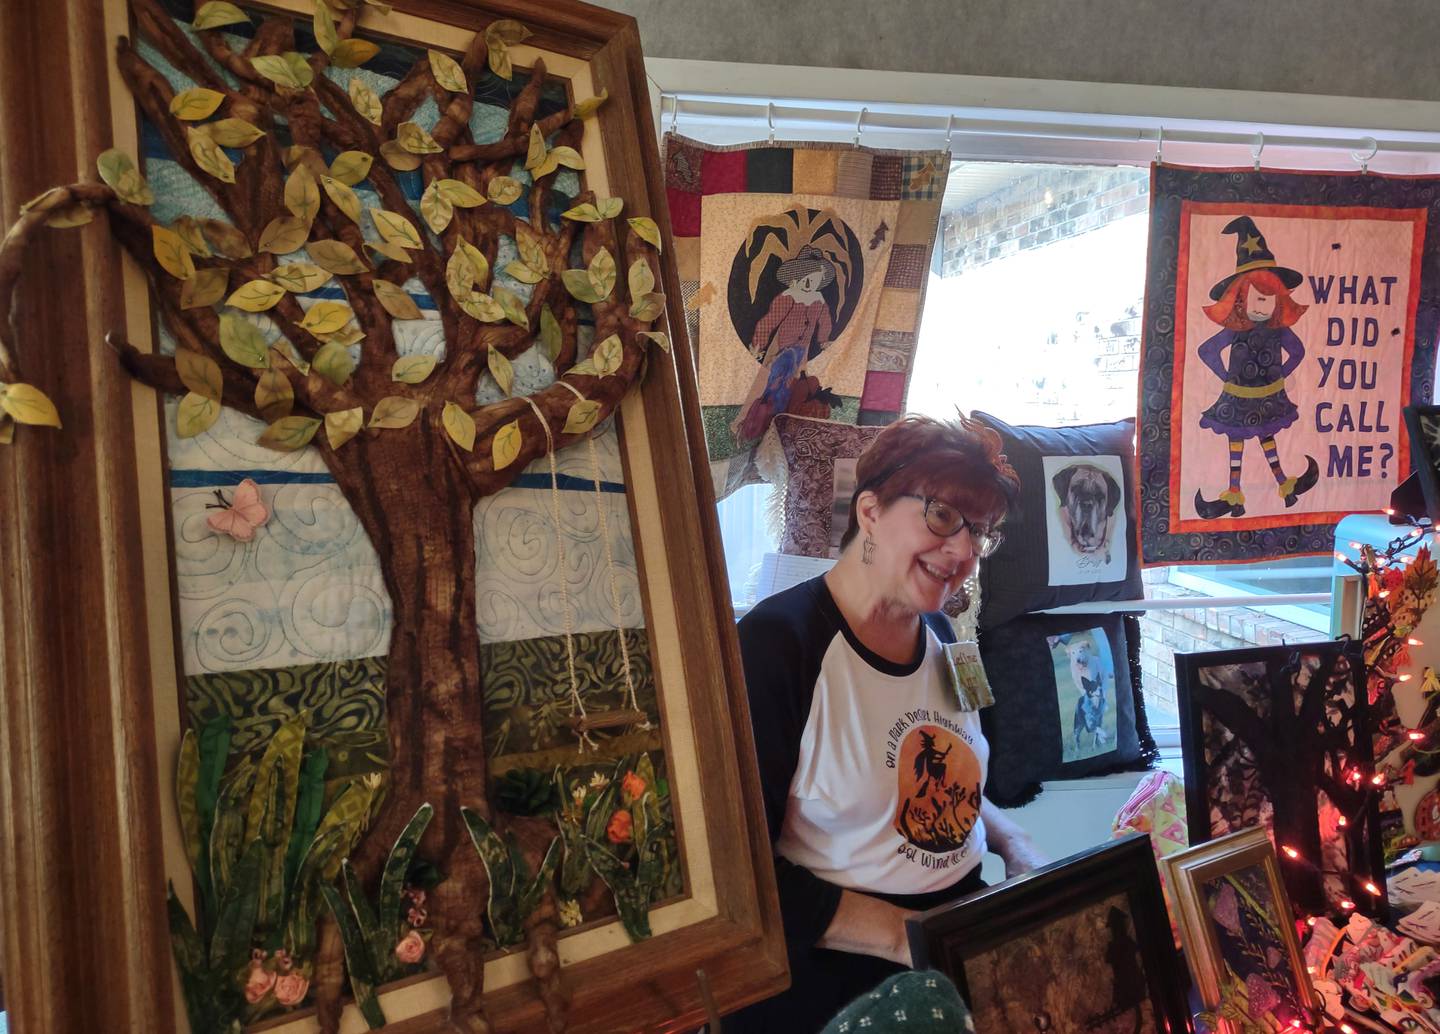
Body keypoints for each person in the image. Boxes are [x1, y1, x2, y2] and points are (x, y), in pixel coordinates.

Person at [728, 414, 1047, 1032]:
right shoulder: (776, 647)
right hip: (847, 981)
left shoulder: (947, 636)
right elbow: (744, 873)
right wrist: (917, 942)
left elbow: (962, 779)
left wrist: (1013, 841)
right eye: (942, 516)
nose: (963, 553)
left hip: (957, 945)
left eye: (979, 533)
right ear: (870, 511)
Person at [1193, 216, 1319, 519]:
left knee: (1262, 436)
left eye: (1270, 299)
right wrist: (1229, 378)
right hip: (1243, 394)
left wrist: (1278, 377)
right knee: (1244, 437)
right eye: (1258, 297)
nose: (1264, 305)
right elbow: (1206, 350)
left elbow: (1298, 352)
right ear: (1239, 298)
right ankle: (1241, 492)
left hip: (1256, 394)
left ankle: (1276, 487)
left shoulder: (1277, 330)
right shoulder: (1237, 330)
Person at [731, 246, 837, 445]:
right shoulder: (789, 297)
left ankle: (776, 425)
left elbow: (825, 321)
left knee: (791, 387)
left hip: (802, 350)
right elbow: (770, 320)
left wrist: (823, 339)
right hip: (780, 347)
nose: (808, 283)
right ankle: (744, 423)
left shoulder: (818, 301)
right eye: (805, 277)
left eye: (813, 280)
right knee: (764, 382)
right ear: (797, 277)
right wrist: (759, 342)